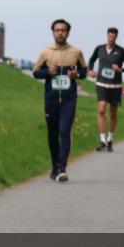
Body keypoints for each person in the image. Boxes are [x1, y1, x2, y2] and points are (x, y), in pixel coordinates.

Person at [33, 20, 88, 181]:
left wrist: (76, 75)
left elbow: (84, 71)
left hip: (69, 99)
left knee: (64, 131)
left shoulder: (76, 52)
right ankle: (55, 166)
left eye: (63, 30)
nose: (60, 33)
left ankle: (62, 168)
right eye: (57, 30)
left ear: (68, 33)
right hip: (50, 99)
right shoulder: (45, 52)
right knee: (52, 134)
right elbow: (36, 72)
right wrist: (48, 72)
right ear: (53, 32)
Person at [87, 27, 124, 152]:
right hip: (101, 84)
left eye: (114, 37)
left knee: (113, 113)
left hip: (115, 86)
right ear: (107, 36)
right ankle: (102, 140)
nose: (111, 39)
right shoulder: (99, 49)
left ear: (116, 37)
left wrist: (120, 69)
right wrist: (90, 70)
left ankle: (110, 139)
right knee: (101, 110)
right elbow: (91, 60)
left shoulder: (122, 51)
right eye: (110, 36)